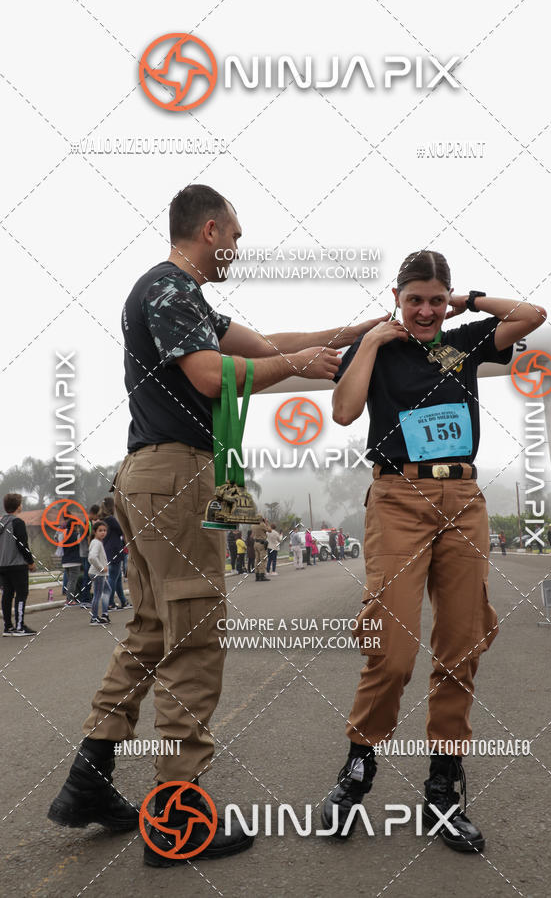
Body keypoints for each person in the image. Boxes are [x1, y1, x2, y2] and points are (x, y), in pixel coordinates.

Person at [47, 183, 386, 865]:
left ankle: (90, 774)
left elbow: (267, 343)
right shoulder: (169, 290)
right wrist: (295, 365)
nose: (239, 246)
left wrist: (350, 335)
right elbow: (211, 376)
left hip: (149, 477)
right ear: (210, 229)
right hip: (176, 475)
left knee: (149, 629)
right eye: (235, 233)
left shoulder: (187, 299)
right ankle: (175, 819)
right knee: (195, 638)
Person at [322, 249, 546, 852]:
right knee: (390, 651)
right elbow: (344, 412)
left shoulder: (463, 340)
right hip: (397, 497)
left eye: (435, 299)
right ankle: (358, 768)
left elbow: (533, 313)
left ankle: (443, 786)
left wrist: (469, 301)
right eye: (414, 298)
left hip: (465, 499)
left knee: (461, 643)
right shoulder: (379, 348)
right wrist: (370, 340)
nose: (425, 310)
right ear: (397, 298)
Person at [0, 493, 36, 636]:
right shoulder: (18, 522)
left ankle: (8, 627)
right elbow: (22, 544)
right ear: (18, 506)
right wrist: (30, 562)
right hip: (17, 564)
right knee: (22, 594)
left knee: (7, 595)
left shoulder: (2, 522)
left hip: (2, 565)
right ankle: (20, 626)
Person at [100, 497, 130, 611]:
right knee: (113, 578)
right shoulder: (111, 519)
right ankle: (110, 603)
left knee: (117, 578)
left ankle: (123, 601)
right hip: (115, 551)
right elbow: (121, 530)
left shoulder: (103, 519)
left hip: (108, 550)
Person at [88, 520, 111, 626]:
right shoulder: (96, 543)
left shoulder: (96, 542)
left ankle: (104, 614)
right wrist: (101, 568)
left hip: (97, 573)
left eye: (105, 530)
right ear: (94, 532)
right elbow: (92, 557)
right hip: (98, 573)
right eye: (100, 530)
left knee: (107, 590)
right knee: (97, 595)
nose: (103, 532)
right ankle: (94, 618)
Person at [252, 516, 272, 582]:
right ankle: (262, 575)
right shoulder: (262, 524)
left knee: (257, 560)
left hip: (255, 543)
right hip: (261, 543)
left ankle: (257, 575)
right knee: (263, 559)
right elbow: (270, 530)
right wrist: (266, 523)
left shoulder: (253, 525)